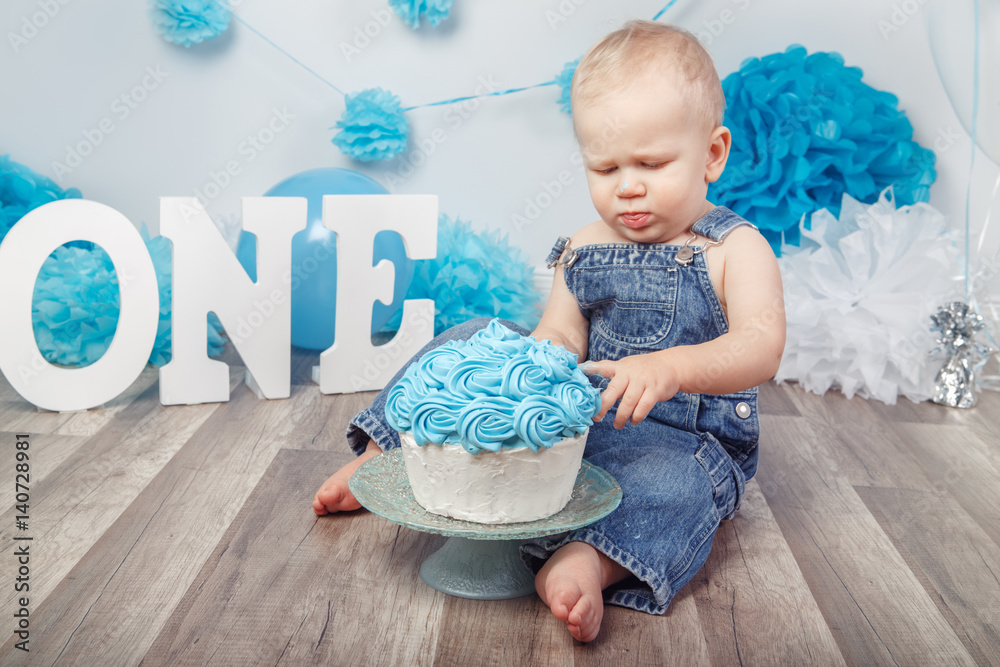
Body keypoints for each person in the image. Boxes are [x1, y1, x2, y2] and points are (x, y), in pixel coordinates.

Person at [313, 19, 785, 643]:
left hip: (683, 435)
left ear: (713, 154)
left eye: (652, 162)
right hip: (575, 423)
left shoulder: (733, 249)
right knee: (478, 331)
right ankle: (387, 455)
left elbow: (761, 345)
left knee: (680, 488)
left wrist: (672, 369)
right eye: (605, 167)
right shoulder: (585, 246)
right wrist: (528, 371)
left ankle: (593, 559)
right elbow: (561, 333)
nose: (629, 186)